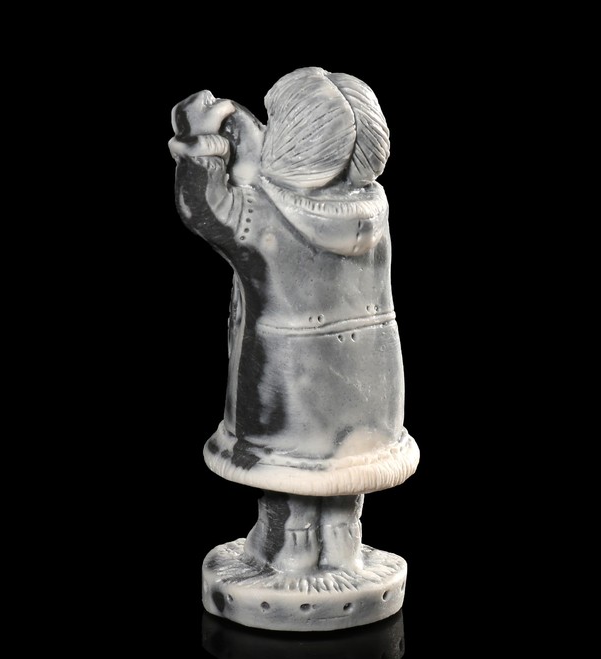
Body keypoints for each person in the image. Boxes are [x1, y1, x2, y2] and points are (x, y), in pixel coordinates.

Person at [169, 67, 418, 498]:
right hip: (372, 382)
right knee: (346, 475)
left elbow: (205, 209)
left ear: (295, 143)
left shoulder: (263, 215)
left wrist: (200, 142)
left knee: (290, 481)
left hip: (292, 384)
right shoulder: (372, 208)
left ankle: (288, 539)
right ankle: (340, 537)